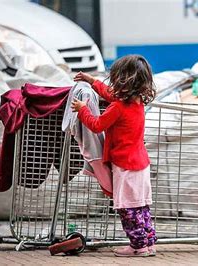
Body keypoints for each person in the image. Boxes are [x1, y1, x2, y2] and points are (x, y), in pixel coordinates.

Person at [72, 55, 157, 257]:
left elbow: (96, 125)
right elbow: (110, 94)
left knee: (127, 208)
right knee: (142, 206)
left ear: (122, 80)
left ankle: (138, 247)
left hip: (125, 166)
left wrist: (83, 110)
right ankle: (149, 242)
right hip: (140, 163)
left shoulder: (118, 107)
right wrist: (92, 81)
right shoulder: (136, 103)